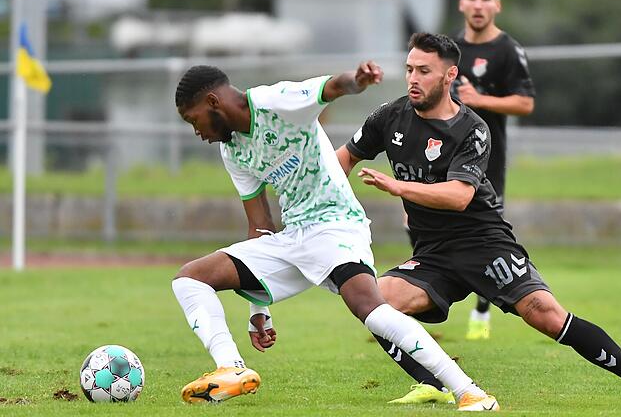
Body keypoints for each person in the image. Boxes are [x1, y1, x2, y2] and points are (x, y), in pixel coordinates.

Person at [336, 32, 621, 408]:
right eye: (409, 69)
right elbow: (342, 159)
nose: (413, 78)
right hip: (434, 252)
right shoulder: (389, 116)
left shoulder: (472, 130)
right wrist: (312, 188)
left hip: (484, 243)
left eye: (424, 71)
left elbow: (459, 197)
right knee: (375, 302)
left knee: (547, 316)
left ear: (449, 76)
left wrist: (398, 188)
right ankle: (435, 384)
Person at [171, 62, 500, 411]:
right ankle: (231, 368)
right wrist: (259, 306)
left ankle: (469, 391)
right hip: (293, 237)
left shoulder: (274, 101)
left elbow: (331, 87)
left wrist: (357, 81)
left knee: (370, 310)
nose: (198, 132)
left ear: (212, 101)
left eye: (194, 121)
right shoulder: (232, 150)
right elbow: (260, 224)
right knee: (190, 279)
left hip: (335, 224)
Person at [455, 0, 537, 342]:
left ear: (496, 6)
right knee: (421, 221)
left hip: (488, 158)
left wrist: (480, 100)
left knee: (487, 236)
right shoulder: (449, 50)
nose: (478, 4)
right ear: (461, 4)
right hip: (444, 154)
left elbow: (525, 103)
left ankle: (482, 308)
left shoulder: (507, 49)